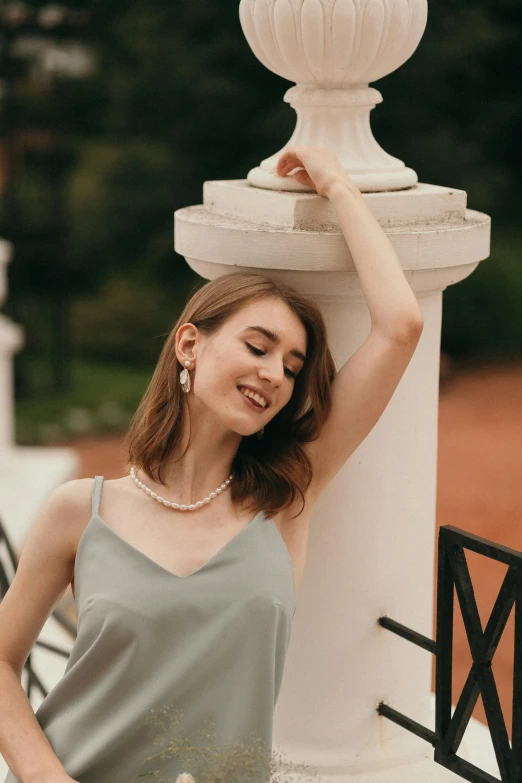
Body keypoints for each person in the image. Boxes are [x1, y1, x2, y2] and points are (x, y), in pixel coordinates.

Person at [0, 146, 424, 783]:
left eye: (291, 365)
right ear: (190, 344)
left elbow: (401, 325)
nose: (274, 373)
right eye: (258, 346)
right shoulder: (81, 512)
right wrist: (43, 777)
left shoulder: (283, 501)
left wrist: (340, 186)